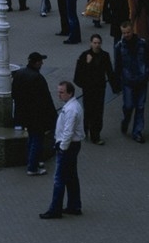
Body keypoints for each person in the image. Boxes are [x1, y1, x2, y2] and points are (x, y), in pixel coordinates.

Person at [38, 80, 85, 218]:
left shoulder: (71, 110)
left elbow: (68, 131)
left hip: (68, 147)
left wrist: (62, 148)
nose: (59, 95)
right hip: (72, 146)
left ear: (70, 93)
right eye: (58, 92)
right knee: (71, 177)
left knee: (59, 179)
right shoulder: (73, 106)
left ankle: (55, 209)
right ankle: (74, 206)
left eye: (62, 92)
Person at [12, 52, 58, 175]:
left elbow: (14, 95)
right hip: (37, 115)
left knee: (31, 139)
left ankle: (33, 161)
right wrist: (53, 116)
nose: (42, 63)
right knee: (37, 139)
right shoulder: (37, 78)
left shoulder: (19, 74)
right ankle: (33, 167)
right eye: (41, 61)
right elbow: (46, 99)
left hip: (24, 114)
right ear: (36, 63)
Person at [113, 20, 149, 142]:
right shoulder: (119, 46)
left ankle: (137, 132)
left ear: (132, 30)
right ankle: (126, 120)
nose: (126, 35)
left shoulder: (143, 44)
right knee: (129, 105)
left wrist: (147, 74)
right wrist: (118, 82)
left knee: (140, 106)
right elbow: (118, 65)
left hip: (141, 79)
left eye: (128, 32)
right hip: (128, 81)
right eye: (124, 33)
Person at [72, 33, 116, 144]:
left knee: (98, 112)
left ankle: (95, 135)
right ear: (91, 43)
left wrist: (115, 87)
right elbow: (78, 75)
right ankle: (86, 128)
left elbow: (109, 72)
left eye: (98, 43)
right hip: (88, 89)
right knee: (88, 111)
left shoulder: (104, 56)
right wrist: (87, 64)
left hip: (100, 88)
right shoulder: (84, 56)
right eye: (95, 43)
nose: (96, 45)